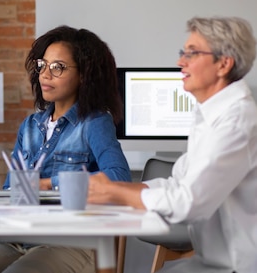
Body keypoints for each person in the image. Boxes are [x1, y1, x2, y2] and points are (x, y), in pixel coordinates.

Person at [0, 25, 132, 273]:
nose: (45, 74)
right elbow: (12, 189)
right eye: (43, 65)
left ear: (84, 75)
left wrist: (47, 184)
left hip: (71, 242)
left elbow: (120, 178)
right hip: (18, 240)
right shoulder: (30, 126)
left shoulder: (94, 123)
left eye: (58, 67)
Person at [88, 16, 257, 273]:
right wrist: (114, 187)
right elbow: (177, 182)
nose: (180, 61)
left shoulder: (236, 121)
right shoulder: (210, 115)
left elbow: (187, 203)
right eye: (183, 52)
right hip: (214, 261)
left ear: (224, 63)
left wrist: (114, 193)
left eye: (192, 53)